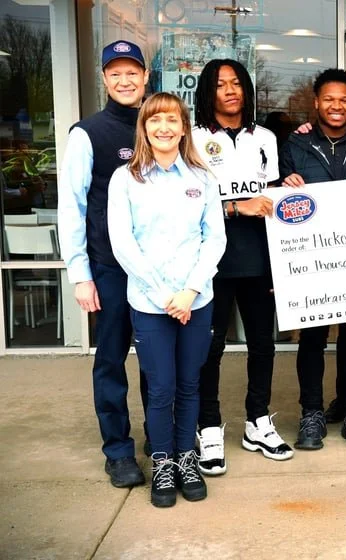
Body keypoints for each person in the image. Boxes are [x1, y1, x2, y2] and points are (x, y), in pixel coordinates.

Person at [108, 92, 226, 507]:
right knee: (161, 389)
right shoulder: (125, 179)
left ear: (183, 126)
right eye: (154, 120)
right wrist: (164, 296)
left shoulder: (202, 177)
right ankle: (162, 462)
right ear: (144, 127)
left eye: (171, 120)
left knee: (190, 384)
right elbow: (123, 244)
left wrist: (191, 290)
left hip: (197, 299)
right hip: (150, 302)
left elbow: (215, 239)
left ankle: (186, 459)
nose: (163, 127)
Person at [192, 59, 293, 476]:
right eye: (221, 85)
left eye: (237, 83)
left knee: (262, 343)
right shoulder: (193, 139)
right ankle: (209, 428)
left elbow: (270, 197)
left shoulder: (266, 137)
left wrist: (288, 189)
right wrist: (235, 206)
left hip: (259, 256)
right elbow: (188, 202)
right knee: (210, 348)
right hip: (211, 259)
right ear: (207, 93)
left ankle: (258, 421)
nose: (230, 91)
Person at [58, 40, 150, 489]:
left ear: (146, 76)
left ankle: (162, 441)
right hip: (110, 268)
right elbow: (72, 206)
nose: (125, 80)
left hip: (157, 271)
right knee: (111, 362)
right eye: (115, 73)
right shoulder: (87, 133)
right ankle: (118, 451)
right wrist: (80, 273)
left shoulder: (165, 125)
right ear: (104, 79)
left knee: (158, 361)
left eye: (132, 71)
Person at [280, 68, 346, 451]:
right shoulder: (294, 146)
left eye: (344, 99)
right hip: (312, 263)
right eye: (329, 99)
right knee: (312, 336)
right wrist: (284, 185)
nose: (337, 106)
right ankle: (311, 413)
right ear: (316, 102)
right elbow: (279, 201)